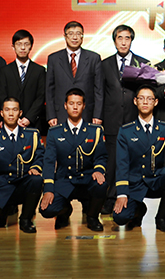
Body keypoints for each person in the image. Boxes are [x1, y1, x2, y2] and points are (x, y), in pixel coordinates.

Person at [112, 86, 165, 232]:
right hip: (135, 182)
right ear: (135, 101)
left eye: (149, 99)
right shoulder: (125, 131)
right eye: (141, 98)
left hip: (157, 179)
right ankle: (138, 210)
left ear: (155, 102)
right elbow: (122, 164)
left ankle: (161, 218)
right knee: (120, 217)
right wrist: (122, 193)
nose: (145, 102)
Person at [39, 88, 108, 232]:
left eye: (78, 103)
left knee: (101, 184)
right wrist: (48, 189)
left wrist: (98, 170)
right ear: (65, 105)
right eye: (71, 103)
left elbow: (101, 157)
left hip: (87, 180)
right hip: (65, 181)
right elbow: (49, 162)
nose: (75, 107)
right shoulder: (55, 132)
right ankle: (64, 211)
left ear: (84, 106)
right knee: (47, 209)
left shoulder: (95, 131)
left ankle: (92, 217)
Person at [0, 98, 44, 233]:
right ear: (2, 113)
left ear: (20, 113)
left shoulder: (32, 135)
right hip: (1, 187)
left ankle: (26, 219)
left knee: (36, 180)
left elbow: (40, 155)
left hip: (22, 185)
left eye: (14, 110)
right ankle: (2, 211)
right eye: (7, 110)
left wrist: (36, 167)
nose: (11, 114)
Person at [99, 24, 149, 213]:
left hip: (134, 119)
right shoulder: (104, 64)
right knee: (112, 162)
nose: (123, 42)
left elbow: (146, 92)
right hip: (112, 120)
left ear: (132, 40)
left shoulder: (142, 63)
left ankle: (133, 198)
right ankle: (110, 199)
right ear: (114, 41)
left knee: (134, 162)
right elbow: (100, 93)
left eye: (127, 38)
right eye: (120, 38)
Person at [46, 21, 104, 127]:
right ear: (65, 36)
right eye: (71, 34)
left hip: (87, 114)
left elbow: (98, 90)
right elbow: (49, 90)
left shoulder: (94, 58)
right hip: (60, 114)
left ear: (82, 37)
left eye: (78, 34)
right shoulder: (53, 59)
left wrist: (97, 115)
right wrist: (51, 115)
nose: (75, 37)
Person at [0, 29, 46, 135]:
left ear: (31, 46)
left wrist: (29, 118)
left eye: (26, 44)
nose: (23, 48)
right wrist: (13, 118)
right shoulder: (5, 71)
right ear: (13, 46)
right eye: (19, 44)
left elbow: (41, 97)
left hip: (33, 123)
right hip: (10, 123)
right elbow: (2, 96)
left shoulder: (39, 70)